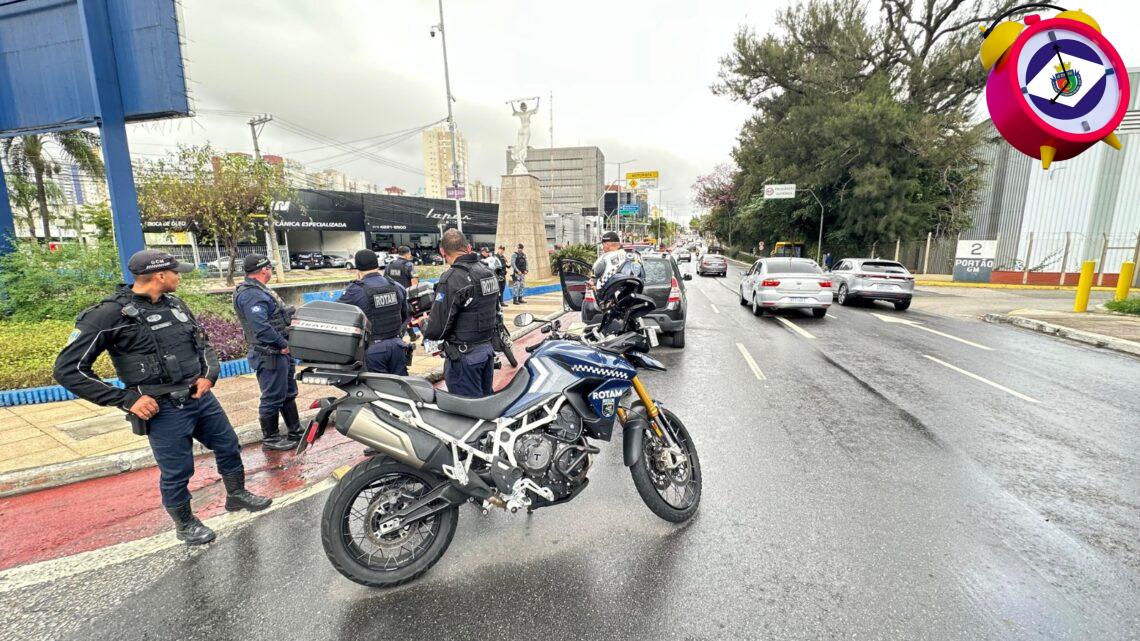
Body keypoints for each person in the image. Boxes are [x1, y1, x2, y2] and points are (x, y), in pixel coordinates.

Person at [53, 250, 271, 546]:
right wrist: (127, 400)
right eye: (176, 272)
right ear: (160, 276)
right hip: (161, 408)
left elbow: (202, 342)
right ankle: (185, 523)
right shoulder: (108, 314)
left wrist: (209, 375)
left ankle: (237, 495)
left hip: (199, 398)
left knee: (228, 445)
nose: (179, 276)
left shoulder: (176, 304)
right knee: (178, 469)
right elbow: (69, 370)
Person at [233, 254, 300, 452]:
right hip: (269, 353)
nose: (271, 271)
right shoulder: (251, 294)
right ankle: (271, 438)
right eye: (270, 268)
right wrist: (282, 344)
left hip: (279, 352)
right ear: (264, 270)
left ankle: (295, 429)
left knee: (288, 393)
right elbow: (260, 327)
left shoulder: (259, 290)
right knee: (272, 396)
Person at [422, 229, 499, 398]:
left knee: (468, 411)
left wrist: (425, 323)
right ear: (469, 247)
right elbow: (495, 309)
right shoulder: (487, 272)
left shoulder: (451, 278)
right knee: (486, 402)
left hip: (465, 358)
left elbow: (438, 329)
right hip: (486, 350)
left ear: (442, 251)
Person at [338, 249, 410, 375]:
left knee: (377, 389)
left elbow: (336, 313)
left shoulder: (355, 290)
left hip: (373, 350)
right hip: (398, 345)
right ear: (377, 264)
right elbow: (405, 315)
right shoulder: (396, 286)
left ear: (357, 269)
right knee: (400, 389)